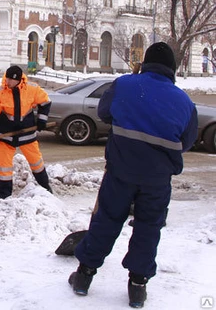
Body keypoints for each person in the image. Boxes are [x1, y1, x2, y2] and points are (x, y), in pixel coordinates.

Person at [68, 42, 198, 308]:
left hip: (120, 171)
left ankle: (84, 277)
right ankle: (138, 287)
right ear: (172, 69)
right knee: (148, 229)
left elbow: (104, 113)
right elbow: (186, 142)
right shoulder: (184, 102)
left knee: (106, 220)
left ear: (145, 63)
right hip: (157, 180)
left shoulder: (124, 85)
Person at [0, 65, 53, 197]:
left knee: (37, 163)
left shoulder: (32, 89)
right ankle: (4, 197)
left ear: (19, 80)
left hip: (27, 134)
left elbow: (45, 103)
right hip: (6, 136)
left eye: (11, 80)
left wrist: (42, 120)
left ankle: (46, 188)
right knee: (4, 169)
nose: (7, 82)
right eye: (7, 79)